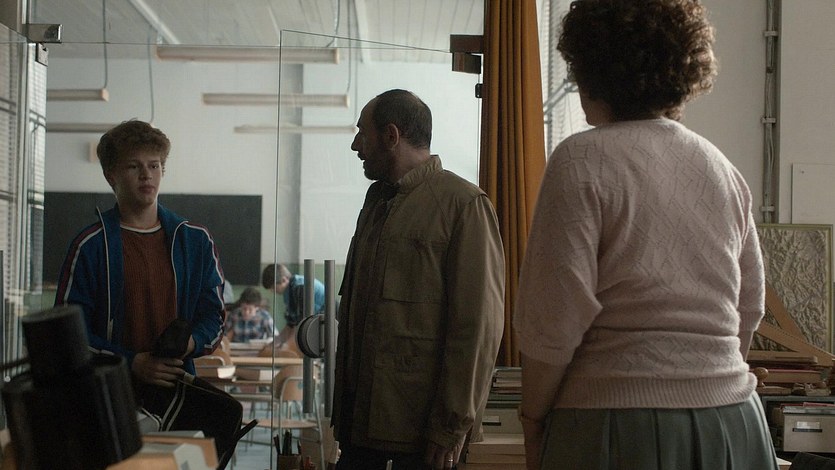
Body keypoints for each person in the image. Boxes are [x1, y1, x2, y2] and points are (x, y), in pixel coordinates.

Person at [513, 2, 779, 469]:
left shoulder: (580, 160)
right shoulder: (721, 168)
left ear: (592, 71)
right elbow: (749, 306)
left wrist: (532, 417)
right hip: (734, 420)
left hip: (613, 423)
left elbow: (553, 321)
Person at [332, 89, 505, 470]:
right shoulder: (376, 202)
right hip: (361, 435)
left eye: (362, 133)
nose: (356, 145)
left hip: (421, 442)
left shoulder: (464, 205)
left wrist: (450, 425)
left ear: (391, 136)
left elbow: (478, 327)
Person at [54, 119, 226, 389]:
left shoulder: (195, 241)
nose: (146, 175)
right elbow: (69, 332)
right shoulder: (90, 245)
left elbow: (214, 316)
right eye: (134, 166)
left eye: (154, 165)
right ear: (111, 176)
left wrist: (189, 342)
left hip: (176, 390)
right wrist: (131, 362)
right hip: (110, 392)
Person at [261, 263, 325, 353]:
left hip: (326, 324)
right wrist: (275, 342)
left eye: (273, 287)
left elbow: (302, 323)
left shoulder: (300, 287)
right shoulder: (289, 292)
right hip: (316, 324)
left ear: (284, 280)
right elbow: (291, 324)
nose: (273, 291)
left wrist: (286, 346)